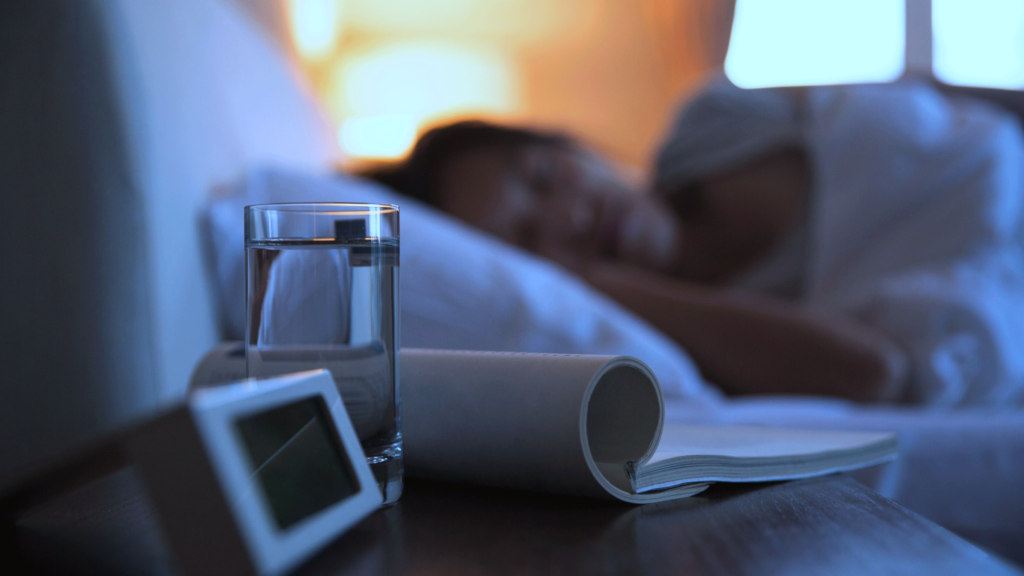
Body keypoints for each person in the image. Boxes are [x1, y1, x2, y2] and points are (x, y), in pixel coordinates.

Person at [363, 76, 1024, 406]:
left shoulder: (714, 121)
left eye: (543, 176)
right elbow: (876, 371)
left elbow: (934, 100)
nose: (571, 215)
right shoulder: (677, 344)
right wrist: (604, 285)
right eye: (532, 241)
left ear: (570, 145)